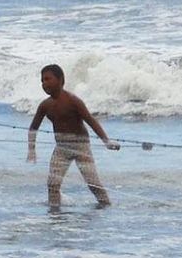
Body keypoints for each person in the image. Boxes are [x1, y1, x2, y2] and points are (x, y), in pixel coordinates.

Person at [27, 63, 120, 207]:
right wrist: (31, 150)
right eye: (42, 81)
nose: (44, 83)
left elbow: (91, 121)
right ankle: (55, 212)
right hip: (61, 149)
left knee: (93, 183)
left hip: (81, 146)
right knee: (52, 184)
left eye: (48, 79)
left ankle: (106, 206)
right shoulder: (45, 105)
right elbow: (33, 128)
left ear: (61, 80)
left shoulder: (73, 101)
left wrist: (106, 141)